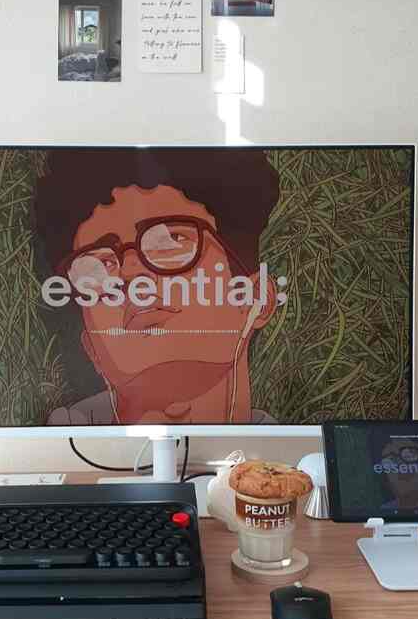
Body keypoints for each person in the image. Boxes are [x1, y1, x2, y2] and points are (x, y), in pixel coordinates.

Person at [34, 149, 281, 425]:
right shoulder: (62, 450)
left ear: (255, 300)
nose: (129, 272)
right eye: (95, 266)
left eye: (170, 241)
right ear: (92, 346)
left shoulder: (302, 459)